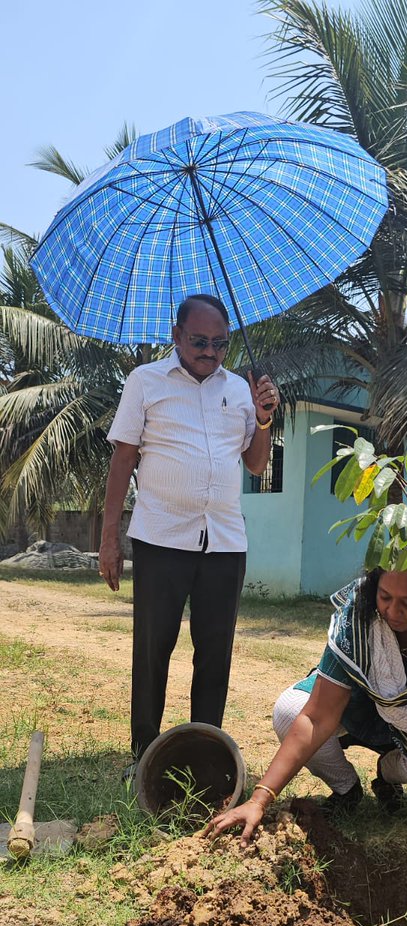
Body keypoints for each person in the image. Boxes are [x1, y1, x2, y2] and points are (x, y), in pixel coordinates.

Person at [98, 294, 280, 762]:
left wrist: (263, 419)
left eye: (220, 343)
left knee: (215, 654)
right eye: (199, 341)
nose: (209, 352)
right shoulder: (145, 382)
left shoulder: (239, 389)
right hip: (161, 539)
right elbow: (123, 459)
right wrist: (109, 537)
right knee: (153, 650)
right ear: (176, 336)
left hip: (224, 540)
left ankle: (205, 755)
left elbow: (256, 465)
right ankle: (144, 755)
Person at [206, 568, 407, 848]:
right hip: (353, 713)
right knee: (289, 712)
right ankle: (347, 789)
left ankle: (387, 773)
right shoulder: (357, 624)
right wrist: (259, 800)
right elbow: (315, 717)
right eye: (385, 596)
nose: (393, 611)